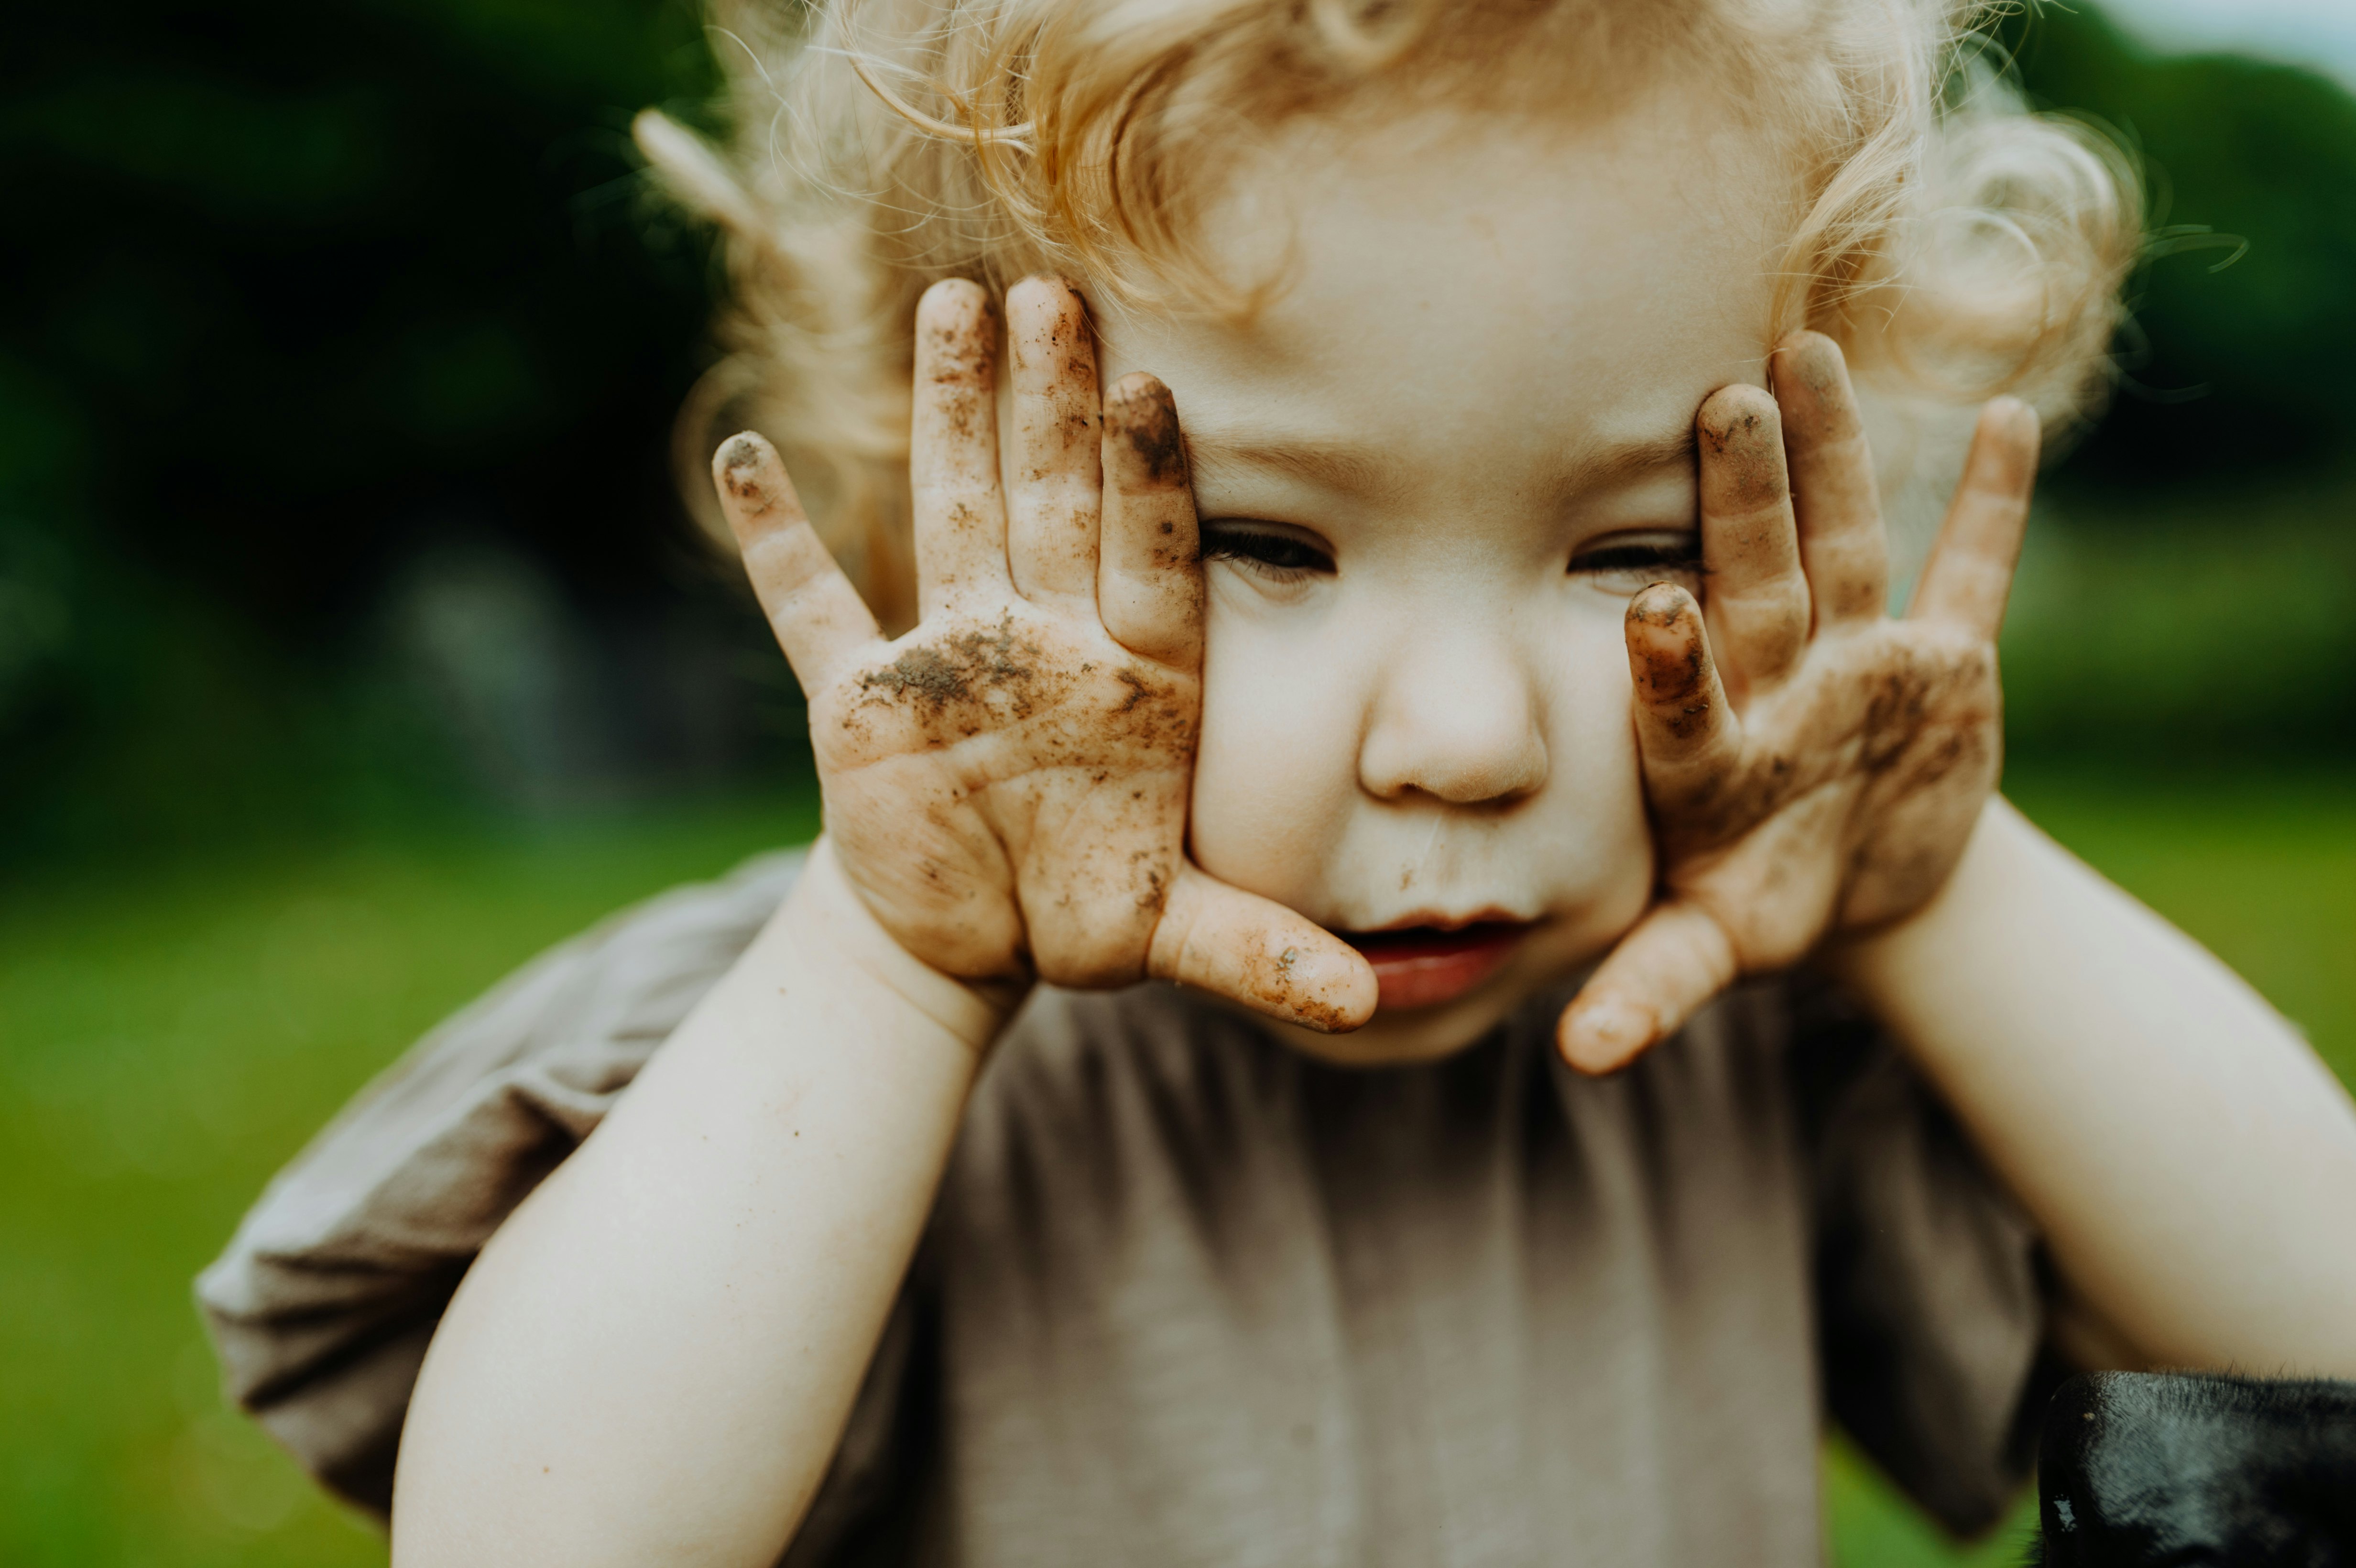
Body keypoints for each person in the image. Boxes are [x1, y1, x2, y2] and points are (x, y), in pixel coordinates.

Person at [197, 2, 2356, 1564]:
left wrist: (1934, 893)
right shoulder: (806, 1069)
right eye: (1245, 540)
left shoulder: (1763, 1040)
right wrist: (888, 977)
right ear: (927, 516)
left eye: (1637, 543)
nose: (1463, 736)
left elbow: (2313, 1352)